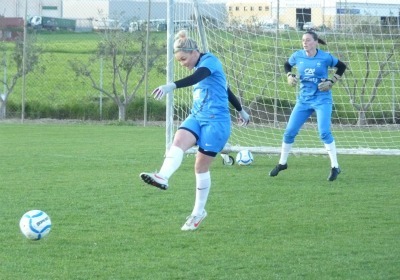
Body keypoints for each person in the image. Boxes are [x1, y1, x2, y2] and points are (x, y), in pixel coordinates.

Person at [140, 30, 250, 231]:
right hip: (197, 117)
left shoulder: (210, 62)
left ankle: (198, 213)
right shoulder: (200, 64)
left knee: (200, 168)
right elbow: (225, 89)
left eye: (183, 59)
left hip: (216, 123)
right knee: (178, 140)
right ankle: (162, 176)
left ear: (194, 52)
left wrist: (170, 86)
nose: (183, 64)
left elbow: (198, 78)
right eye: (179, 61)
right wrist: (241, 110)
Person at [269, 31, 347, 181]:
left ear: (316, 42)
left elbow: (342, 67)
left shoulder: (324, 57)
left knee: (324, 132)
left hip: (322, 99)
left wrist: (331, 82)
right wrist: (289, 76)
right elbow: (287, 65)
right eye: (303, 40)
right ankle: (282, 163)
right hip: (303, 100)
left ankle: (335, 166)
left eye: (308, 40)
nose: (305, 42)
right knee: (289, 132)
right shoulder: (297, 55)